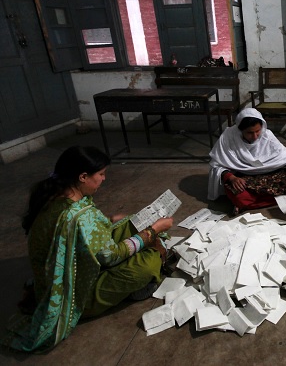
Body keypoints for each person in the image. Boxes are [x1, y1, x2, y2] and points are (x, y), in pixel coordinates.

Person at [7, 146, 172, 352]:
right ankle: (145, 271)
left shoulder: (53, 195)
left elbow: (90, 233)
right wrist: (152, 231)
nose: (104, 179)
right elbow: (111, 256)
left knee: (130, 223)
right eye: (101, 174)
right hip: (74, 291)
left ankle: (150, 242)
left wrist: (111, 220)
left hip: (71, 267)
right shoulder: (80, 216)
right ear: (83, 177)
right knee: (147, 265)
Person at [208, 108, 286, 214]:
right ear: (240, 130)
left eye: (257, 131)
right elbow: (217, 165)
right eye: (249, 132)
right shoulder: (228, 137)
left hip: (271, 174)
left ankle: (251, 204)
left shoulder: (267, 136)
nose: (255, 136)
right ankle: (273, 200)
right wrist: (232, 178)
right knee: (239, 195)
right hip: (244, 177)